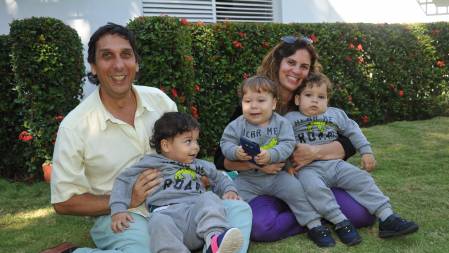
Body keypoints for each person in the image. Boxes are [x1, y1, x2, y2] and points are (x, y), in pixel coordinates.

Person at [43, 23, 252, 253]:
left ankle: (214, 247)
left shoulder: (160, 101)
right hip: (124, 214)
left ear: (136, 62)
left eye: (126, 54)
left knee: (239, 209)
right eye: (106, 56)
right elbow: (64, 202)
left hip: (184, 203)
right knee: (144, 249)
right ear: (93, 66)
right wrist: (127, 199)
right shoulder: (75, 126)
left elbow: (186, 149)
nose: (119, 65)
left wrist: (195, 176)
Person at [214, 35, 375, 242]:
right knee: (261, 228)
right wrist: (258, 164)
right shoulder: (254, 103)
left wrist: (314, 152)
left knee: (363, 215)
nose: (297, 71)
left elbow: (348, 141)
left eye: (304, 66)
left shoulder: (313, 97)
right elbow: (221, 159)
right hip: (269, 183)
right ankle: (316, 218)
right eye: (291, 63)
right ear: (277, 62)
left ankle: (319, 213)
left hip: (314, 179)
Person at [285, 72, 419, 246]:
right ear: (297, 99)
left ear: (327, 100)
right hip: (308, 170)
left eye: (321, 97)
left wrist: (366, 152)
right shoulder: (290, 119)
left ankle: (387, 218)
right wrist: (287, 164)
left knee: (362, 178)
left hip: (336, 164)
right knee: (314, 188)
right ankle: (341, 222)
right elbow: (282, 143)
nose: (315, 101)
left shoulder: (335, 115)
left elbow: (353, 131)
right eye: (308, 95)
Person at [220, 75, 336, 247]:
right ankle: (228, 232)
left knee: (297, 193)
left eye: (261, 100)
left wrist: (271, 155)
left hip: (278, 177)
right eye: (247, 101)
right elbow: (225, 143)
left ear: (273, 104)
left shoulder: (281, 123)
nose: (253, 106)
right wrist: (235, 152)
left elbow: (288, 144)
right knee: (231, 200)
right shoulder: (237, 125)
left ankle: (314, 225)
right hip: (248, 179)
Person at [110, 112, 244, 253]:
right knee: (158, 221)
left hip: (196, 219)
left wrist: (229, 190)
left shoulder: (201, 165)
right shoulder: (152, 162)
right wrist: (118, 209)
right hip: (167, 216)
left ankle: (214, 241)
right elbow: (124, 180)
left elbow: (219, 177)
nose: (196, 147)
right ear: (166, 145)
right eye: (188, 141)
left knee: (208, 198)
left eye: (196, 141)